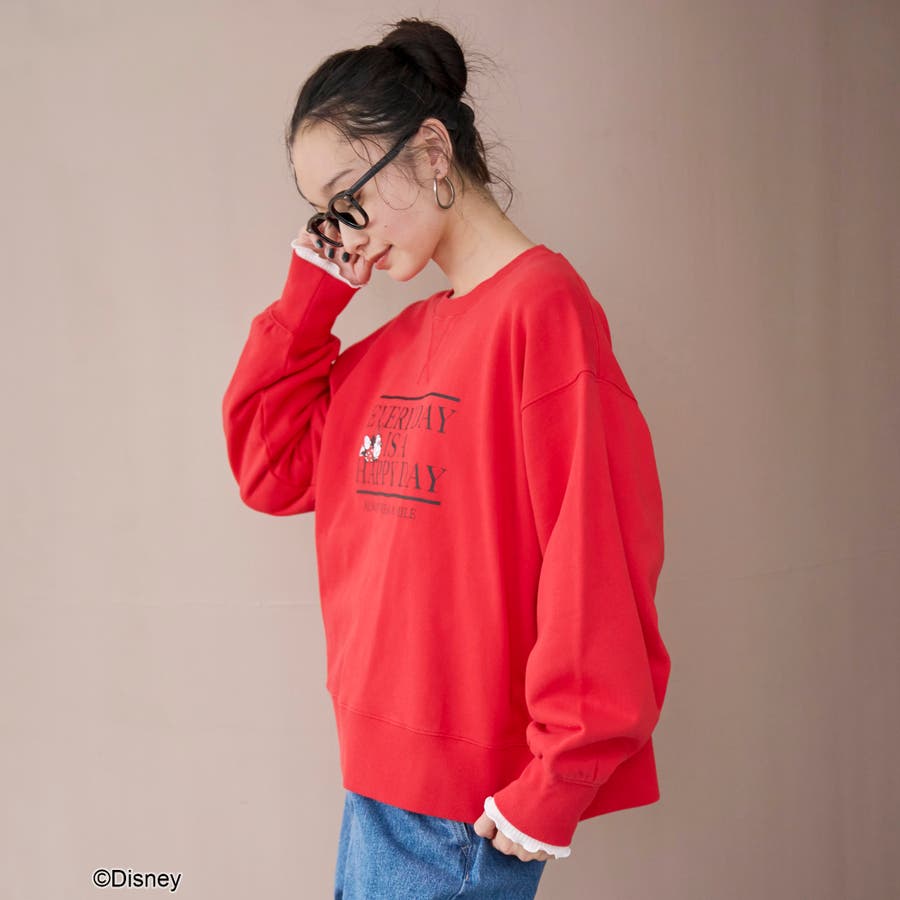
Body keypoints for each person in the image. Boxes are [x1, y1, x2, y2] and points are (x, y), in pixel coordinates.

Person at [221, 16, 671, 900]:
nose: (347, 229)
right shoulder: (398, 345)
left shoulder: (543, 311)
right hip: (376, 787)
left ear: (432, 151)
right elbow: (270, 467)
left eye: (351, 195)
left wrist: (560, 777)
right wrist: (311, 294)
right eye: (328, 213)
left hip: (465, 815)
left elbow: (597, 550)